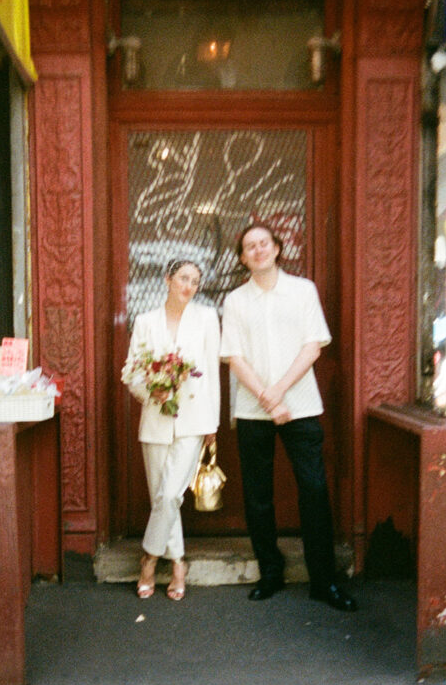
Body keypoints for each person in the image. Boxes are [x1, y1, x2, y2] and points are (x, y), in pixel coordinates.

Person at [220, 223, 356, 612]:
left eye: (264, 243)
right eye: (250, 246)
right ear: (242, 258)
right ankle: (270, 573)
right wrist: (267, 398)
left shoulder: (303, 290)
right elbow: (233, 357)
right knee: (258, 495)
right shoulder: (235, 300)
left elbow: (313, 347)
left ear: (277, 248)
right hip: (253, 408)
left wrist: (278, 391)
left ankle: (323, 581)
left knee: (314, 491)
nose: (258, 250)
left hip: (301, 405)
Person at [123, 259, 220, 601]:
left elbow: (211, 372)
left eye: (195, 281)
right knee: (163, 497)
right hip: (156, 418)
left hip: (194, 419)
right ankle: (179, 561)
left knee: (170, 495)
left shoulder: (207, 318)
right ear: (167, 279)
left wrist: (213, 422)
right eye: (183, 278)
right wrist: (152, 391)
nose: (188, 286)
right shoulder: (145, 321)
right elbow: (132, 370)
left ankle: (149, 559)